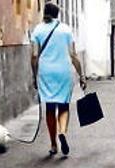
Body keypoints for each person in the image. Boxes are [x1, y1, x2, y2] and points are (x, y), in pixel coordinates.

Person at [31, 2, 87, 157]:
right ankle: (62, 132)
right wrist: (81, 75)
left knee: (50, 108)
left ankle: (54, 144)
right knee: (63, 106)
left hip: (46, 73)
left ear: (44, 13)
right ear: (58, 14)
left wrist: (34, 75)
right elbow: (73, 55)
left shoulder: (37, 30)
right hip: (63, 72)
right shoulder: (66, 30)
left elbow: (34, 55)